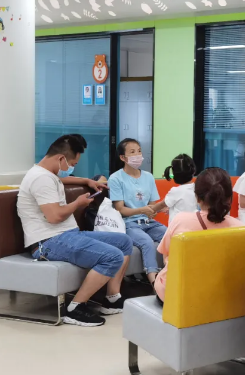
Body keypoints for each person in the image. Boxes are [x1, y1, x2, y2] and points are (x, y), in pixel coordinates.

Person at [17, 135, 133, 327]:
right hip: (48, 242)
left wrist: (88, 181)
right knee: (112, 256)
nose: (72, 167)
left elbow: (63, 179)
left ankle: (112, 298)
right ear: (61, 158)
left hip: (67, 235)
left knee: (124, 242)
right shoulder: (41, 179)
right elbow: (54, 216)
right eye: (72, 163)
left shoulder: (47, 174)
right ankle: (75, 308)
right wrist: (77, 203)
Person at [154, 168, 243, 303]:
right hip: (220, 296)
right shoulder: (240, 227)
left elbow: (166, 254)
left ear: (197, 197)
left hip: (177, 296)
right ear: (230, 198)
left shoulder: (180, 220)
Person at [109, 138, 167, 284]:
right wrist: (141, 210)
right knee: (147, 242)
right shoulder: (115, 178)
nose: (138, 155)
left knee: (170, 235)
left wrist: (158, 209)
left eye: (139, 151)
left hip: (149, 222)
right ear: (123, 157)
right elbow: (120, 209)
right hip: (129, 224)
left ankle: (171, 273)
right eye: (132, 152)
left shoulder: (148, 177)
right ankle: (154, 282)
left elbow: (152, 205)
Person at [153, 154, 197, 223]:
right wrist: (170, 209)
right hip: (193, 226)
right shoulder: (197, 188)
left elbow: (162, 204)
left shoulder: (175, 191)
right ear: (193, 171)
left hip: (177, 228)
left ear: (174, 174)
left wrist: (152, 209)